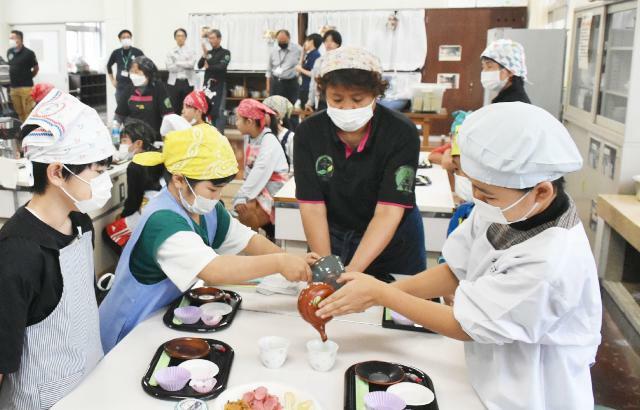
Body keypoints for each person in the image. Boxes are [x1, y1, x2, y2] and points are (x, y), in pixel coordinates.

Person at [316, 102, 602, 410]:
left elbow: (466, 325)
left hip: (532, 389)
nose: (477, 199)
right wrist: (379, 294)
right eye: (475, 188)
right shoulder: (511, 206)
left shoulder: (551, 262)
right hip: (487, 370)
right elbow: (456, 270)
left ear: (542, 191)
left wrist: (382, 294)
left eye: (486, 193)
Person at [99, 124, 315, 352]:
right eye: (212, 189)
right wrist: (279, 263)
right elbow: (213, 269)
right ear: (179, 179)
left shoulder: (205, 209)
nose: (218, 197)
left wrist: (291, 260)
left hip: (165, 317)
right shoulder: (163, 220)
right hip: (132, 326)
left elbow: (248, 240)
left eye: (221, 189)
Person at [0, 89, 115, 409]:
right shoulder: (17, 252)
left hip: (91, 384)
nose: (103, 180)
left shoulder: (80, 223)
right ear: (56, 172)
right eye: (97, 169)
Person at [294, 47, 425, 281]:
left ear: (375, 94)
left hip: (392, 242)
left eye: (357, 99)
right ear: (324, 93)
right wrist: (328, 268)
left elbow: (388, 211)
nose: (347, 108)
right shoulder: (309, 133)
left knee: (395, 309)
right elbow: (313, 207)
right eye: (336, 99)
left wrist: (352, 273)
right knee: (331, 301)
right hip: (331, 234)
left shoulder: (400, 132)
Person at [232, 99, 289, 234]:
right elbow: (250, 171)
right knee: (243, 209)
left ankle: (257, 242)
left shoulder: (269, 140)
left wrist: (243, 195)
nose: (236, 123)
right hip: (259, 187)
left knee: (244, 210)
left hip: (273, 190)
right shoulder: (250, 138)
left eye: (238, 119)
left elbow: (260, 171)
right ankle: (254, 239)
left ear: (250, 122)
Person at [114, 56, 174, 136]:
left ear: (148, 74)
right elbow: (118, 117)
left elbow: (168, 116)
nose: (133, 75)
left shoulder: (158, 88)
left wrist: (167, 138)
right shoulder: (129, 89)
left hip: (154, 138)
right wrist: (115, 137)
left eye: (137, 72)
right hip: (132, 138)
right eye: (132, 71)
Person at [198, 29, 230, 133]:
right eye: (209, 38)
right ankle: (208, 133)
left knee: (219, 111)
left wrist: (209, 67)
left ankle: (219, 135)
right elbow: (199, 65)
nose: (210, 40)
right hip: (207, 86)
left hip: (219, 85)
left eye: (212, 38)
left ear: (219, 39)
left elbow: (222, 66)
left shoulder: (225, 53)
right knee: (207, 110)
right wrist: (204, 54)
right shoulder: (208, 53)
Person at [481, 39, 530, 104]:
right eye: (483, 67)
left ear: (510, 71)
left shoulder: (513, 103)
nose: (484, 72)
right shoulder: (507, 98)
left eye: (489, 66)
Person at [305, 29, 342, 112]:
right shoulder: (319, 61)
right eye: (326, 41)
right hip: (322, 98)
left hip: (339, 99)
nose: (328, 43)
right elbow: (313, 82)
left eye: (332, 41)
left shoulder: (342, 60)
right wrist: (310, 101)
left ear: (338, 44)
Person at [7, 30, 39, 121]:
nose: (10, 40)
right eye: (10, 38)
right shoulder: (9, 52)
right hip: (14, 88)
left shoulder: (29, 53)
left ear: (19, 39)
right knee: (19, 112)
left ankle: (29, 132)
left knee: (28, 112)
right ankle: (22, 130)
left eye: (12, 38)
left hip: (26, 87)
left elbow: (36, 68)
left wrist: (28, 77)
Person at [106, 30, 144, 104]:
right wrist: (112, 80)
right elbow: (108, 65)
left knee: (135, 108)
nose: (126, 39)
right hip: (121, 86)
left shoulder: (137, 52)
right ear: (120, 39)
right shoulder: (116, 52)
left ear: (131, 38)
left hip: (135, 85)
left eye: (128, 37)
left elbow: (145, 65)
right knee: (121, 110)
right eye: (123, 37)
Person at [266, 30, 302, 105]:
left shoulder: (298, 49)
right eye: (280, 41)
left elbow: (304, 62)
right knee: (275, 107)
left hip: (292, 82)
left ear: (289, 38)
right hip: (276, 82)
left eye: (284, 40)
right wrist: (268, 86)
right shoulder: (273, 51)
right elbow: (269, 70)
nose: (282, 42)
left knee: (291, 106)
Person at [166, 28, 196, 117]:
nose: (180, 38)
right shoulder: (170, 52)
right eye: (178, 36)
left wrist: (177, 62)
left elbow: (191, 64)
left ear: (185, 37)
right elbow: (170, 68)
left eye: (182, 36)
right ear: (175, 38)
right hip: (174, 83)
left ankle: (186, 127)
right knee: (174, 106)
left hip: (187, 82)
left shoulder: (191, 51)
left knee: (187, 106)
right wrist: (185, 64)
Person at [263, 95, 294, 172]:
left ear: (276, 114)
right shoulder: (261, 134)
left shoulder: (290, 137)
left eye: (264, 112)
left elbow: (295, 166)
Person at [295, 33, 322, 108]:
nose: (304, 44)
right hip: (303, 86)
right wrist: (302, 54)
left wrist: (300, 69)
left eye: (306, 41)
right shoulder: (309, 54)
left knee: (306, 111)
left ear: (311, 41)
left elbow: (313, 74)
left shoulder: (316, 55)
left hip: (309, 88)